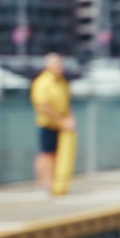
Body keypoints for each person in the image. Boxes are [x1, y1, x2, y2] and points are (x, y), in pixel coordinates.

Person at [31, 53, 74, 194]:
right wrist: (60, 121)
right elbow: (42, 106)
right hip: (47, 124)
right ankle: (44, 184)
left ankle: (54, 183)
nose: (59, 67)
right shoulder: (42, 82)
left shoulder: (62, 82)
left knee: (56, 155)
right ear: (48, 66)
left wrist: (69, 119)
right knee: (46, 155)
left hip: (61, 126)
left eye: (60, 64)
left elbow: (66, 103)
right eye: (56, 64)